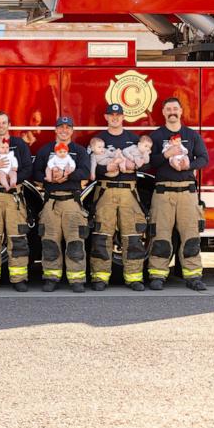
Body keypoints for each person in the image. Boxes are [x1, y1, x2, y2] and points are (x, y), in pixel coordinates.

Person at [147, 97, 209, 291]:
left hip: (187, 193)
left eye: (175, 108)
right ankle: (157, 275)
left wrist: (189, 164)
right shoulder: (156, 136)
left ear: (181, 111)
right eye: (168, 109)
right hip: (163, 193)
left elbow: (204, 159)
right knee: (160, 236)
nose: (172, 112)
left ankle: (193, 276)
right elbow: (148, 162)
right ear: (163, 113)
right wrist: (165, 155)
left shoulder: (191, 135)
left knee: (190, 237)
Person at [89, 103, 147, 291]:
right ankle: (99, 277)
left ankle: (134, 278)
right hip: (105, 191)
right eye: (111, 115)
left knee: (132, 236)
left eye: (118, 115)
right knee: (101, 235)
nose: (115, 118)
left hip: (128, 192)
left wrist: (135, 165)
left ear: (123, 117)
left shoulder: (133, 139)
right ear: (106, 117)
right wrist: (106, 168)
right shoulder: (98, 140)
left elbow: (147, 163)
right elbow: (87, 165)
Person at [32, 117, 92, 293]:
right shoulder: (46, 150)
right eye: (61, 127)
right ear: (55, 130)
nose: (64, 130)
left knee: (75, 241)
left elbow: (85, 171)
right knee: (50, 241)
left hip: (71, 201)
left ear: (72, 131)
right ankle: (51, 278)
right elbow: (35, 172)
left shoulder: (79, 151)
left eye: (68, 127)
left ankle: (77, 279)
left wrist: (67, 175)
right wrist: (48, 175)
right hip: (51, 202)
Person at [0, 111, 34, 291]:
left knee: (17, 237)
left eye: (4, 122)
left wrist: (15, 179)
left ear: (9, 124)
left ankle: (18, 279)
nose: (1, 125)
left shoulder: (19, 144)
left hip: (14, 196)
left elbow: (28, 168)